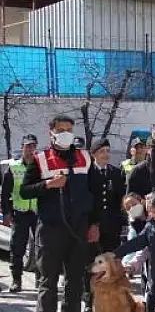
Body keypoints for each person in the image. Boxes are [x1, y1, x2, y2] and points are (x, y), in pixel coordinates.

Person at [20, 114, 97, 312]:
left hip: (78, 229)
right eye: (61, 130)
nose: (65, 134)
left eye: (69, 130)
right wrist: (47, 184)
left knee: (75, 282)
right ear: (51, 133)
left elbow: (95, 192)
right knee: (48, 282)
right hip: (50, 230)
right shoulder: (40, 159)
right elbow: (25, 190)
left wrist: (94, 224)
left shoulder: (85, 158)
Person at [84, 138, 127, 312]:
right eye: (102, 151)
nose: (106, 154)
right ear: (94, 154)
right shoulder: (88, 173)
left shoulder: (116, 173)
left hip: (112, 227)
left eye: (108, 151)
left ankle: (109, 299)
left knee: (110, 264)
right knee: (92, 264)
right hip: (92, 227)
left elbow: (120, 199)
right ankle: (89, 299)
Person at [0, 134, 40, 292]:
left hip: (38, 213)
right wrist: (7, 213)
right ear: (22, 147)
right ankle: (16, 280)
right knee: (17, 248)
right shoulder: (14, 167)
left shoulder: (41, 167)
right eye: (28, 146)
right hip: (20, 213)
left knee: (41, 248)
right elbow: (5, 193)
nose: (31, 149)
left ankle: (40, 279)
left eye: (33, 146)